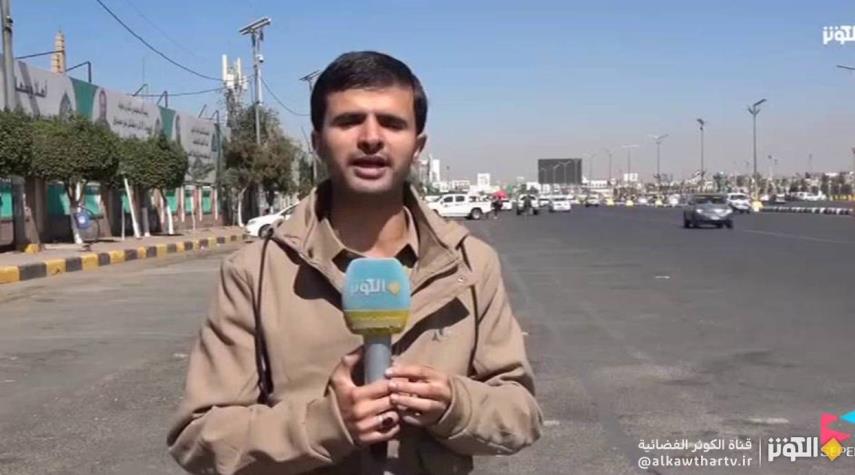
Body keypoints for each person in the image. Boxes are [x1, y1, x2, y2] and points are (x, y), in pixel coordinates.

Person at [167, 51, 542, 475]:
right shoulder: (256, 272)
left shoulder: (470, 265)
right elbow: (200, 437)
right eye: (349, 121)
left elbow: (520, 414)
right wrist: (327, 426)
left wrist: (454, 405)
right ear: (317, 143)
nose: (371, 138)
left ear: (418, 146)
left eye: (392, 123)